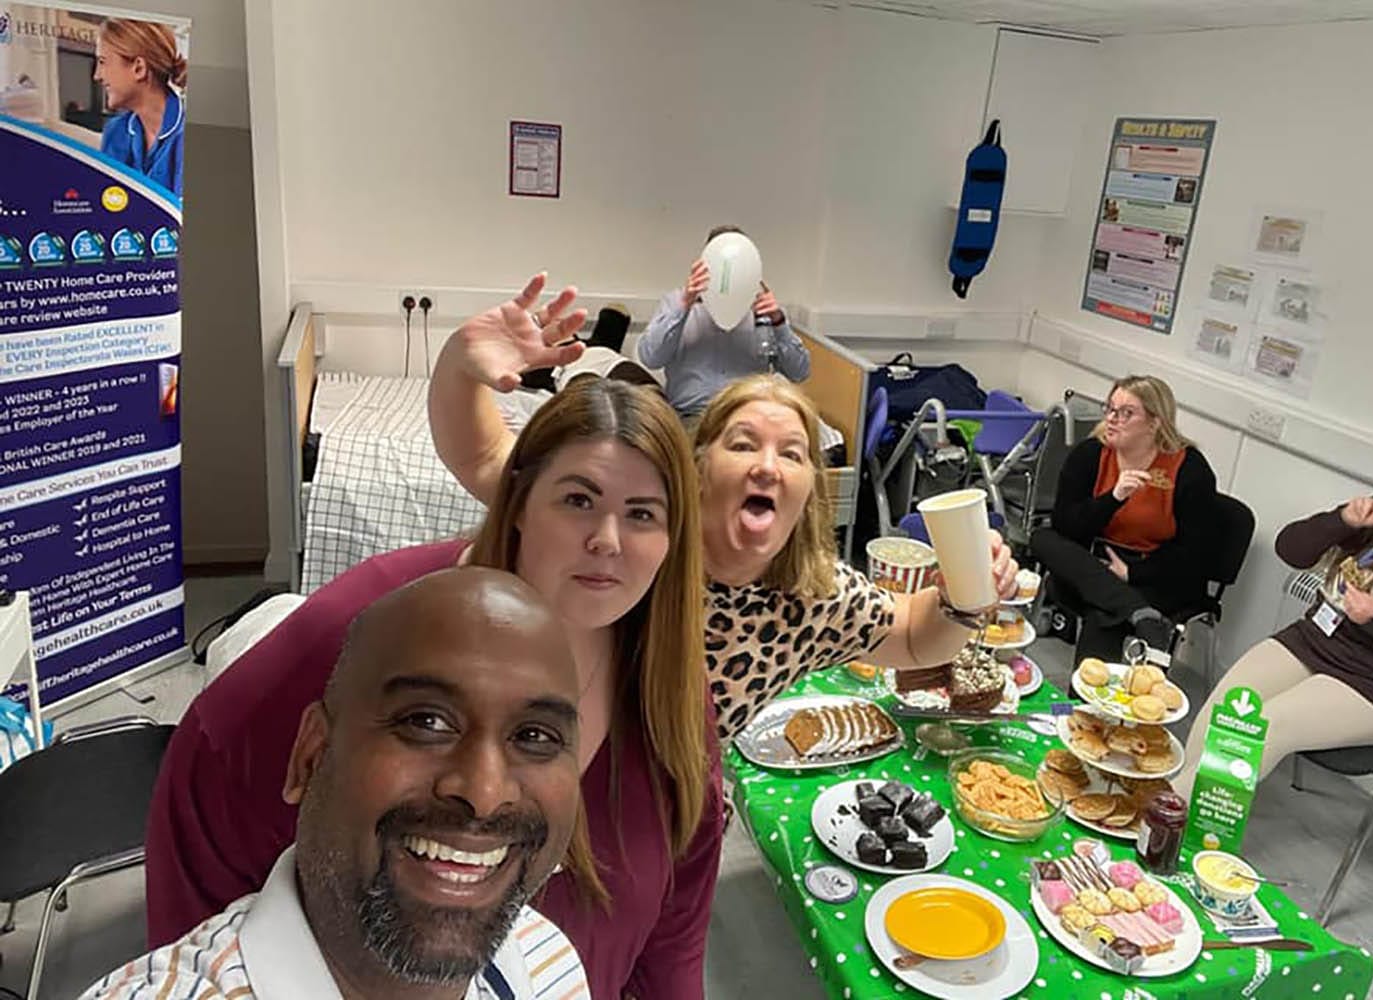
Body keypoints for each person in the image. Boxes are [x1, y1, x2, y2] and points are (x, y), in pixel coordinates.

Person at [146, 377, 721, 999]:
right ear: (520, 501)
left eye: (642, 514)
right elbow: (211, 760)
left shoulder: (670, 696)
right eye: (579, 499)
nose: (607, 540)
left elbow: (675, 931)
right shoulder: (378, 624)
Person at [428, 275, 1021, 740]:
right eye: (743, 444)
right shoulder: (639, 531)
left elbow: (917, 637)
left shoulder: (814, 596)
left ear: (809, 487)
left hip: (667, 812)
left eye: (792, 454)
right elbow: (484, 456)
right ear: (699, 465)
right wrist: (460, 363)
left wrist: (963, 596)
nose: (768, 465)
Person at [89, 568, 589, 999]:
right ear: (310, 757)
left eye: (534, 736)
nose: (483, 793)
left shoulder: (546, 961)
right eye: (426, 722)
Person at [1175, 434, 1373, 794]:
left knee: (1266, 727)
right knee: (1229, 709)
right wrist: (1343, 520)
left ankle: (1166, 824)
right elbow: (1291, 549)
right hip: (1319, 643)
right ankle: (1175, 803)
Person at [1029, 375, 1217, 666]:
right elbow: (1065, 526)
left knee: (1104, 612)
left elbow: (1195, 556)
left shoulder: (1189, 469)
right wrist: (1113, 498)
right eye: (1110, 409)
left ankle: (1085, 707)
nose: (1113, 419)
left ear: (1155, 423)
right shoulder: (1091, 454)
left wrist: (1132, 573)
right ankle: (1135, 611)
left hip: (1156, 574)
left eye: (1126, 413)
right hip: (1093, 564)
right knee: (1041, 539)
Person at [636, 225, 810, 416]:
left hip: (746, 415)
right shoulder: (677, 302)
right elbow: (650, 357)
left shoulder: (763, 309)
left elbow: (799, 372)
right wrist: (685, 304)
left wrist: (779, 323)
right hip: (690, 415)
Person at [94, 18, 186, 195]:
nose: (97, 75)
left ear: (139, 68)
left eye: (103, 62)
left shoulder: (189, 134)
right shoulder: (115, 131)